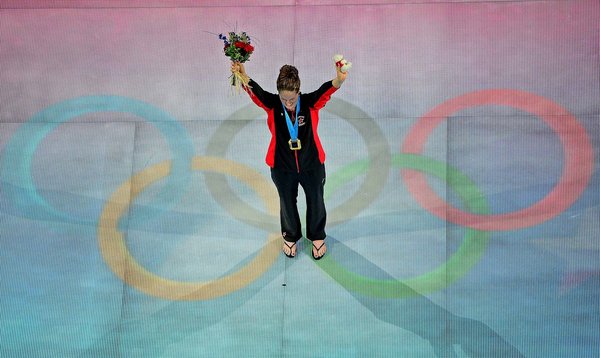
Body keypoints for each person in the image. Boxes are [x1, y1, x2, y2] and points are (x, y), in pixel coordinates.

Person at [231, 60, 347, 259]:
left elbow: (326, 91)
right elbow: (255, 91)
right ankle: (291, 235)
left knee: (316, 200)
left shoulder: (310, 103)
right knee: (286, 202)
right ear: (278, 93)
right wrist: (241, 73)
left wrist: (339, 79)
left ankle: (317, 235)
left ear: (298, 91)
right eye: (284, 99)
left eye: (292, 98)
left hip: (312, 164)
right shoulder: (273, 105)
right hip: (282, 166)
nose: (288, 103)